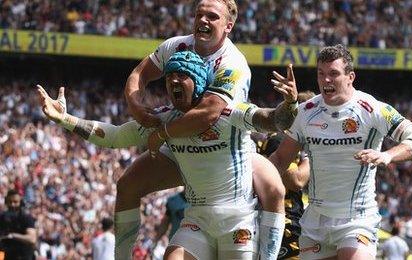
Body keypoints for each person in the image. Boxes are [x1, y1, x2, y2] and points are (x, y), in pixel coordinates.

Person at [36, 50, 298, 259]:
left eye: (182, 76)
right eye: (169, 76)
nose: (173, 80)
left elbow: (272, 120)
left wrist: (290, 104)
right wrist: (64, 119)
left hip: (237, 219)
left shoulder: (229, 113)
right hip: (197, 219)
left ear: (198, 81)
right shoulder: (164, 119)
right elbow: (114, 136)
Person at [119, 1, 286, 258]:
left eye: (212, 16)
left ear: (228, 25)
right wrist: (136, 106)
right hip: (181, 145)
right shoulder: (175, 46)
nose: (203, 20)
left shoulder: (233, 63)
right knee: (127, 185)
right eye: (199, 14)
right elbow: (139, 74)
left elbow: (208, 113)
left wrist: (161, 133)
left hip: (221, 150)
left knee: (275, 190)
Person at [269, 44, 412, 259]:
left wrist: (387, 155)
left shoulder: (372, 109)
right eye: (321, 74)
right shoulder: (306, 112)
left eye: (333, 74)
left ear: (350, 77)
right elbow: (280, 158)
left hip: (356, 220)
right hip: (315, 222)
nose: (326, 80)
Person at [255, 90, 316, 260]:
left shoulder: (285, 141)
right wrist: (311, 155)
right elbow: (295, 180)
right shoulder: (279, 141)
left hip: (285, 220)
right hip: (284, 222)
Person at [0, 189, 37, 260]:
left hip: (24, 256)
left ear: (21, 202)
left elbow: (32, 239)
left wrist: (13, 235)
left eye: (15, 202)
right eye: (10, 202)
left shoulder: (26, 217)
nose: (12, 204)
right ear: (6, 202)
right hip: (8, 256)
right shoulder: (2, 217)